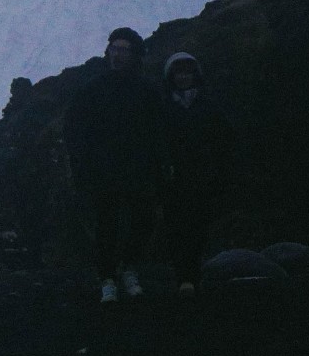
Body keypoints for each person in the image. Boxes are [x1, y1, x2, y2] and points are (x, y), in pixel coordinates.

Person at [63, 27, 166, 304]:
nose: (117, 55)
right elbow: (74, 128)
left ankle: (128, 268)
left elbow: (158, 131)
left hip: (138, 168)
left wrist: (158, 166)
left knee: (142, 220)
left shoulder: (147, 91)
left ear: (135, 55)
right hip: (103, 170)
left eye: (123, 50)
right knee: (107, 224)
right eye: (114, 49)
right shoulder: (93, 89)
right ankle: (108, 277)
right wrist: (82, 164)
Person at [160, 52, 235, 297]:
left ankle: (190, 276)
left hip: (202, 177)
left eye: (187, 72)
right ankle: (185, 276)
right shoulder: (163, 107)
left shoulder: (208, 105)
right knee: (175, 227)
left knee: (198, 226)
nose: (183, 77)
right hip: (172, 178)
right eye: (178, 73)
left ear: (195, 74)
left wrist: (218, 170)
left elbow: (224, 139)